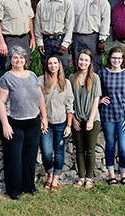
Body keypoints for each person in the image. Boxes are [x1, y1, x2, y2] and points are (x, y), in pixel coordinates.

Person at [0, 46, 48, 200]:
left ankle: (29, 186)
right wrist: (5, 124)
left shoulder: (32, 76)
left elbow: (41, 98)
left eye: (21, 57)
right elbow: (0, 102)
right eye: (15, 57)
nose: (18, 60)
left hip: (33, 122)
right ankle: (14, 189)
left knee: (30, 157)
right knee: (14, 158)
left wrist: (44, 118)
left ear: (25, 60)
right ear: (10, 60)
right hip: (14, 123)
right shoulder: (6, 78)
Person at [98, 46, 125, 187]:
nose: (116, 60)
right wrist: (100, 100)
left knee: (124, 147)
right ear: (110, 59)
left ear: (123, 60)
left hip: (123, 116)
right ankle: (112, 175)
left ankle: (123, 175)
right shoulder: (102, 73)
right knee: (110, 145)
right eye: (114, 58)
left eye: (119, 58)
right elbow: (95, 92)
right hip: (107, 115)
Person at [39, 55, 74, 191]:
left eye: (55, 63)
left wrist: (69, 125)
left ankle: (55, 178)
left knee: (59, 151)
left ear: (59, 65)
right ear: (47, 65)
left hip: (61, 122)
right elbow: (38, 102)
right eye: (50, 63)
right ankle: (49, 174)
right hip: (46, 123)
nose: (52, 66)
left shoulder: (65, 83)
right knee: (47, 152)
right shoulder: (40, 81)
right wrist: (42, 119)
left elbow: (69, 105)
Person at [69, 49, 102, 189]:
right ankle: (81, 178)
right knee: (79, 149)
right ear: (77, 61)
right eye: (81, 59)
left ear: (90, 63)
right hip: (77, 118)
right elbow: (69, 100)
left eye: (86, 60)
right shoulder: (71, 78)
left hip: (92, 119)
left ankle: (89, 178)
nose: (83, 62)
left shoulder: (95, 78)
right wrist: (74, 119)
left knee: (90, 149)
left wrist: (90, 120)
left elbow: (96, 100)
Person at [70, 0, 111, 72]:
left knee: (94, 66)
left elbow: (105, 20)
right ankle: (78, 87)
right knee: (78, 65)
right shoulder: (73, 0)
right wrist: (69, 41)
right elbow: (69, 22)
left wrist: (102, 39)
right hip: (77, 37)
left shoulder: (101, 0)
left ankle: (93, 87)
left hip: (94, 38)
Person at [35, 0, 74, 75]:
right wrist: (39, 42)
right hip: (46, 41)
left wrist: (65, 44)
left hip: (60, 41)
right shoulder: (42, 3)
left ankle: (61, 89)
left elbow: (70, 25)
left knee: (62, 68)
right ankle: (47, 89)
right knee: (46, 68)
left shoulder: (67, 3)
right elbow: (38, 25)